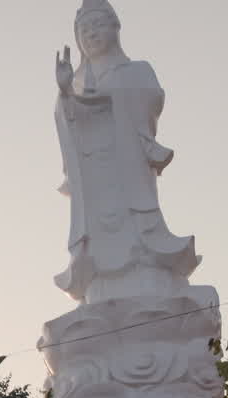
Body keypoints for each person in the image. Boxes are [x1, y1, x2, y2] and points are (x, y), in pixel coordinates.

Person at [53, 0, 197, 305]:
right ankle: (99, 280)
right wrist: (67, 94)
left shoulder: (136, 71)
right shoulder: (76, 83)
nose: (91, 34)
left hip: (126, 164)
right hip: (93, 174)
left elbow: (152, 98)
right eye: (84, 29)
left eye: (97, 25)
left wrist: (109, 96)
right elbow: (68, 122)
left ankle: (146, 268)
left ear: (115, 28)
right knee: (97, 234)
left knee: (136, 223)